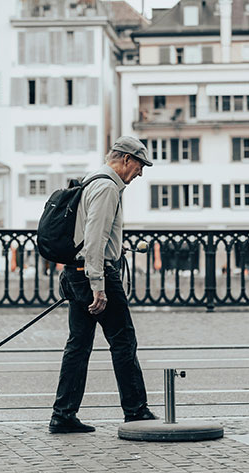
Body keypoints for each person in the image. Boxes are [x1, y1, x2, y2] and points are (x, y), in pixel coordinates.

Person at [49, 136, 157, 434]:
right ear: (125, 160)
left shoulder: (90, 181)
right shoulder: (108, 187)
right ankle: (136, 411)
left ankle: (63, 415)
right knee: (123, 341)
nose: (140, 173)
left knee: (78, 346)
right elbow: (94, 238)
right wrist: (98, 284)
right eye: (139, 166)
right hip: (95, 274)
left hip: (76, 270)